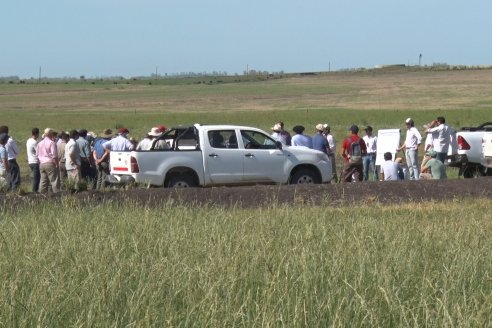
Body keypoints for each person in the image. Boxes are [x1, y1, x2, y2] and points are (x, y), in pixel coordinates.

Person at [37, 128, 60, 193]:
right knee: (54, 180)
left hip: (42, 163)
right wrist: (56, 164)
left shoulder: (39, 143)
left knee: (43, 181)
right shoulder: (51, 143)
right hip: (50, 163)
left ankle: (41, 195)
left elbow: (37, 155)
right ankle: (57, 194)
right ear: (51, 134)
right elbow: (54, 155)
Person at [0, 126, 21, 191]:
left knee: (6, 179)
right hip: (11, 161)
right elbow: (17, 151)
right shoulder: (10, 140)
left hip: (1, 163)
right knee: (15, 178)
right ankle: (14, 192)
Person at [26, 128, 41, 193]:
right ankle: (34, 191)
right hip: (35, 162)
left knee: (36, 177)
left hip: (30, 161)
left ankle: (35, 190)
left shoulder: (28, 140)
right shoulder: (35, 142)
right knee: (36, 178)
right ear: (37, 134)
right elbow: (38, 152)